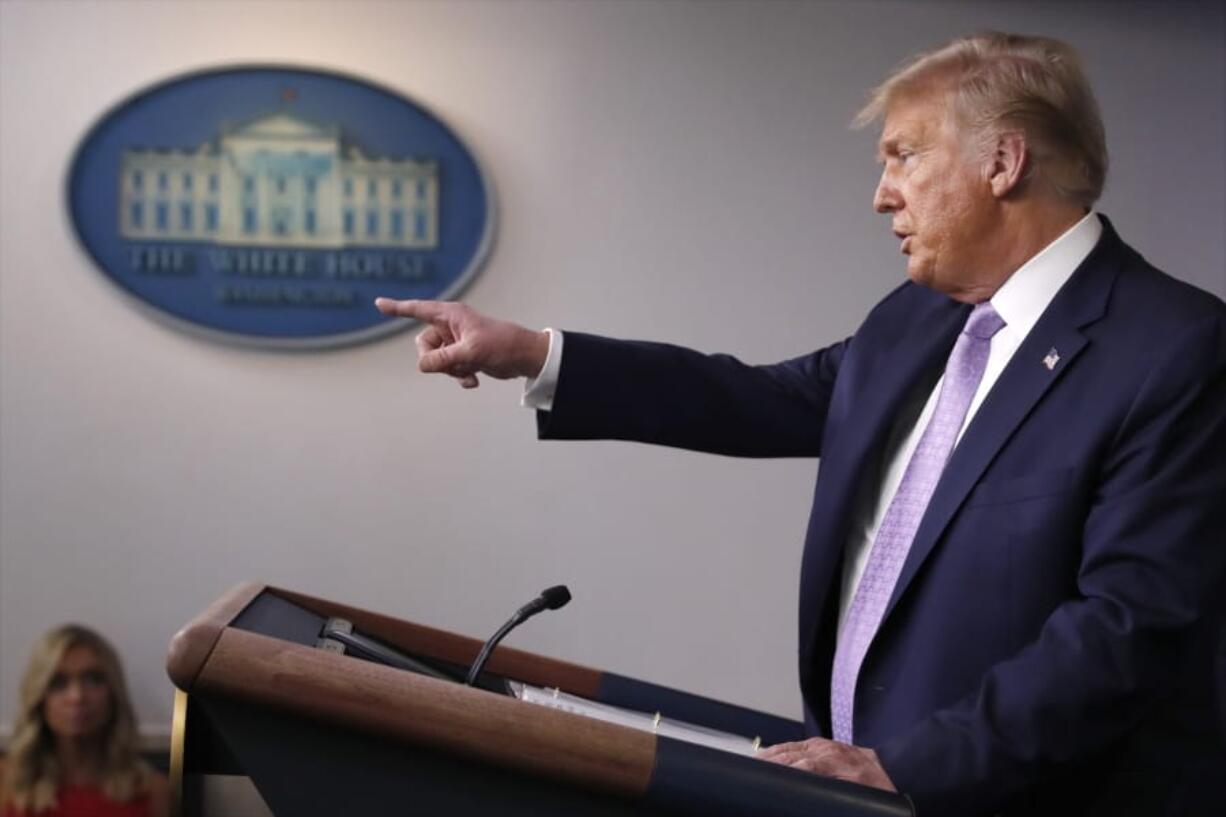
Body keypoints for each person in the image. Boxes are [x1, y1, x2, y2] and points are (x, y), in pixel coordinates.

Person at [374, 31, 1226, 816]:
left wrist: (914, 769)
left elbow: (1128, 627)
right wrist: (533, 352)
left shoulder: (1174, 348)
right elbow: (758, 398)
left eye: (903, 154)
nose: (880, 194)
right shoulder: (918, 317)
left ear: (1003, 162)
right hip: (858, 790)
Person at [0, 626, 169, 817]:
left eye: (93, 680)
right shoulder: (7, 782)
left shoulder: (152, 791)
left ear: (113, 693)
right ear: (39, 697)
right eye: (59, 683)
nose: (77, 697)